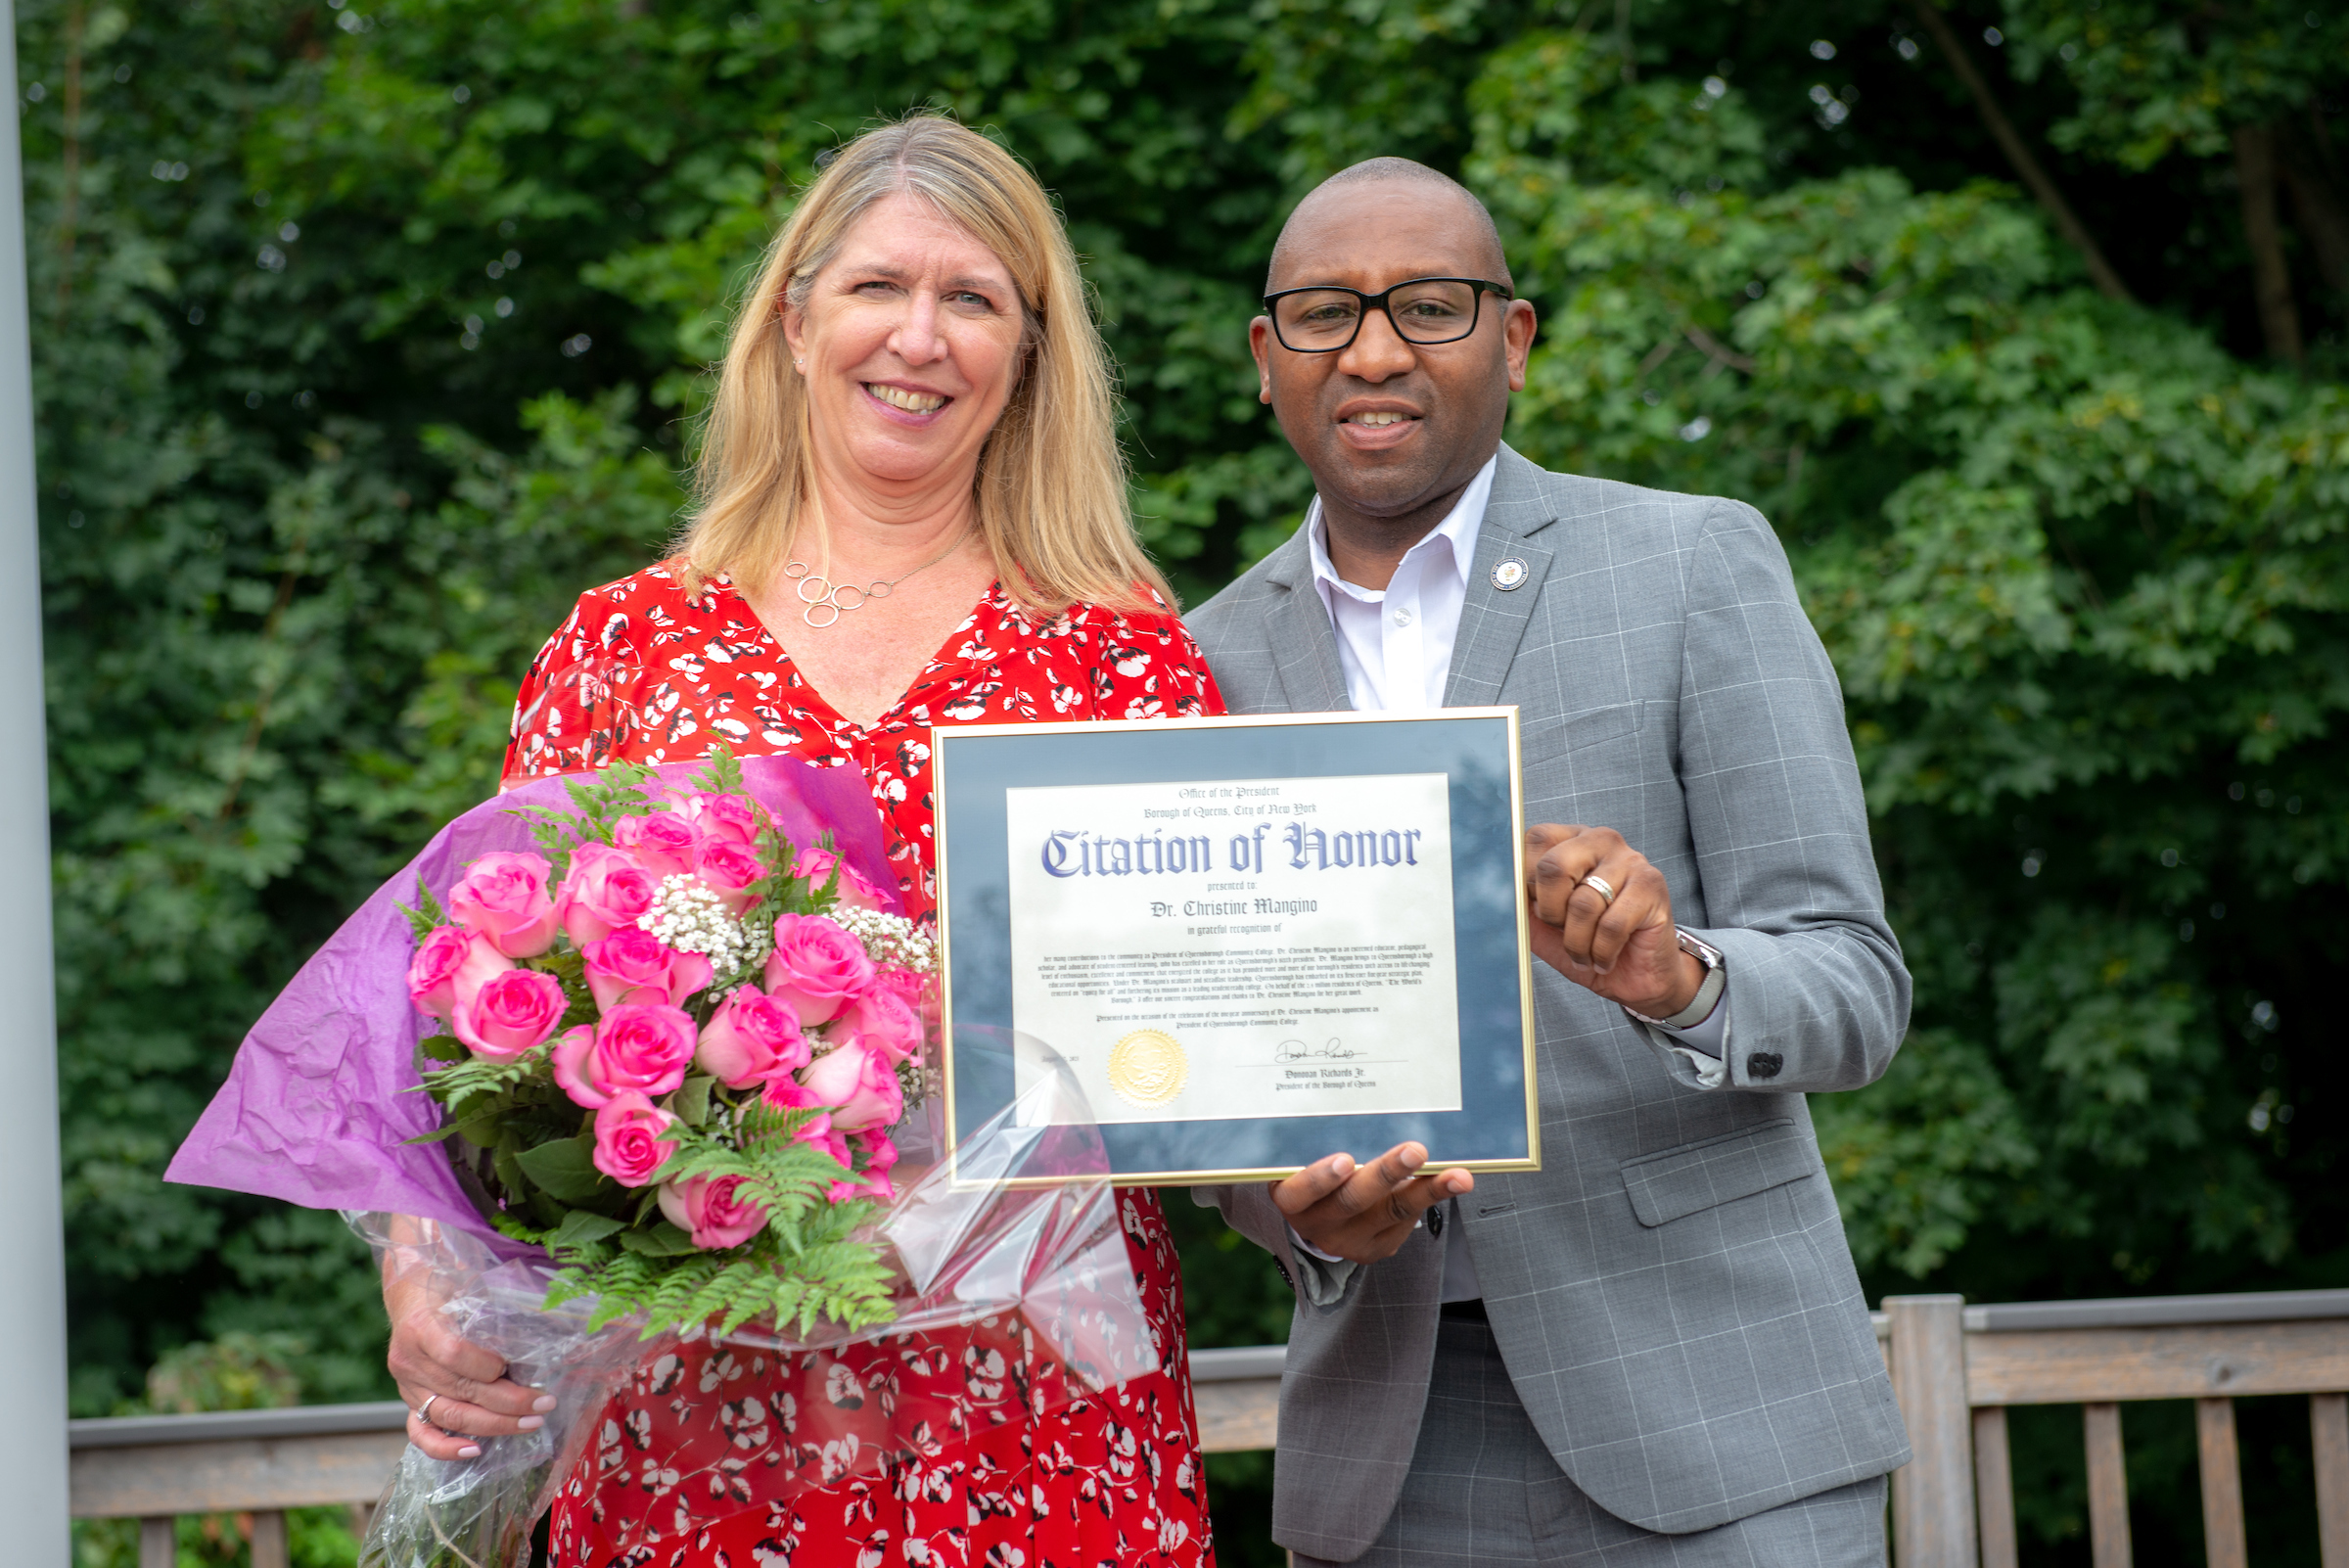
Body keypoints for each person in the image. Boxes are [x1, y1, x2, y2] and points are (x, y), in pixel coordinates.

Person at [383, 115, 1221, 1568]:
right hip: (691, 1411)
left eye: (976, 300)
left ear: (1029, 353)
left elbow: (1213, 1021)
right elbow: (470, 1023)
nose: (922, 335)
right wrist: (420, 1272)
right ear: (793, 316)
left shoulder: (1118, 655)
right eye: (878, 287)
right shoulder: (630, 644)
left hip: (1030, 1400)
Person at [1189, 158, 1912, 1566]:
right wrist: (1299, 1216)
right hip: (1393, 1455)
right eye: (1326, 313)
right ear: (1265, 363)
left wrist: (1680, 976)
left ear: (1512, 341)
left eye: (1431, 305)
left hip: (1723, 1420)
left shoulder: (1694, 563)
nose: (1378, 348)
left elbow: (1855, 981)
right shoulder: (1200, 664)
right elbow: (1215, 1078)